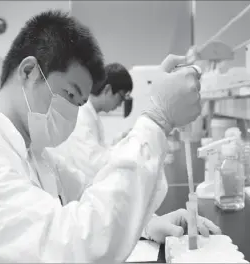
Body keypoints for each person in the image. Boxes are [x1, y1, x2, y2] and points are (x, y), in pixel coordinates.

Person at [0, 10, 219, 263]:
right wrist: (156, 120)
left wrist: (147, 223)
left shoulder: (34, 153)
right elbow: (74, 243)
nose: (73, 115)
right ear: (29, 71)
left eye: (79, 103)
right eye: (69, 94)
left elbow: (91, 195)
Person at [53, 62, 217, 245]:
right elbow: (98, 169)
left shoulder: (86, 120)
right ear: (108, 90)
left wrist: (148, 224)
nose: (119, 105)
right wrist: (153, 125)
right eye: (121, 97)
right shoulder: (81, 118)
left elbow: (96, 206)